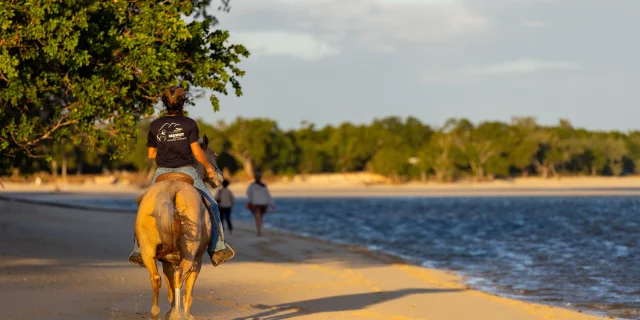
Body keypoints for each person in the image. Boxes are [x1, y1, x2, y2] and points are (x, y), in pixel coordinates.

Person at [128, 86, 232, 267]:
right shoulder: (189, 123)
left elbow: (151, 154)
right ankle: (217, 249)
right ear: (183, 102)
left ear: (164, 103)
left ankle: (138, 250)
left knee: (143, 204)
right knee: (213, 205)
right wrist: (208, 167)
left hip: (162, 172)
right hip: (187, 171)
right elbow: (197, 153)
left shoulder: (155, 125)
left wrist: (167, 147)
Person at [246, 171, 275, 237]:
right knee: (260, 218)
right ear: (260, 178)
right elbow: (268, 195)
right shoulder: (263, 186)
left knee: (257, 218)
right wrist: (272, 204)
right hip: (263, 204)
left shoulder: (252, 185)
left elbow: (248, 193)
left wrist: (251, 200)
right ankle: (260, 230)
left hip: (255, 204)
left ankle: (259, 230)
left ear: (255, 178)